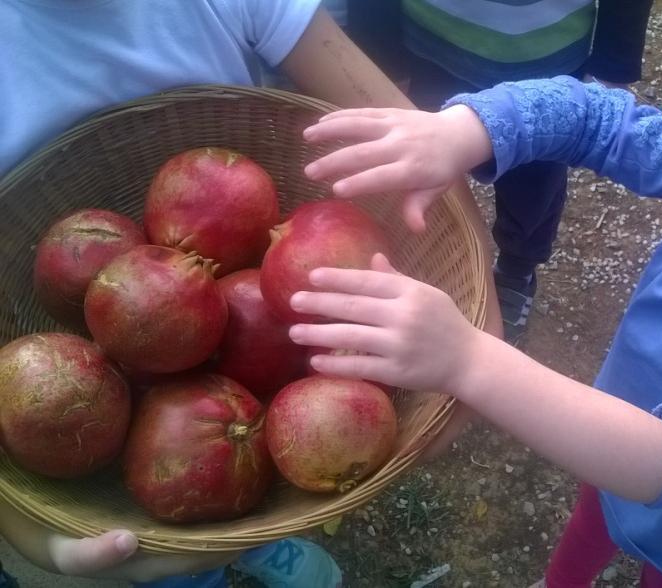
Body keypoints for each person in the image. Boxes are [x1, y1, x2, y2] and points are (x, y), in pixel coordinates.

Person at [1, 0, 503, 585]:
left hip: (252, 377)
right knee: (178, 553)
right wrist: (37, 539)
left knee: (227, 484)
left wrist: (482, 306)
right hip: (142, 440)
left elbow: (412, 139)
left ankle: (252, 545)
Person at [287, 28, 662, 586]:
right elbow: (597, 119)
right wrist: (464, 129)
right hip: (615, 436)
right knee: (596, 512)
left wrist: (468, 358)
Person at [389, 0, 653, 344]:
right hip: (428, 47)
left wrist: (612, 66)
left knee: (534, 187)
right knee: (422, 171)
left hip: (545, 65)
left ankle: (517, 268)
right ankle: (432, 256)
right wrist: (379, 44)